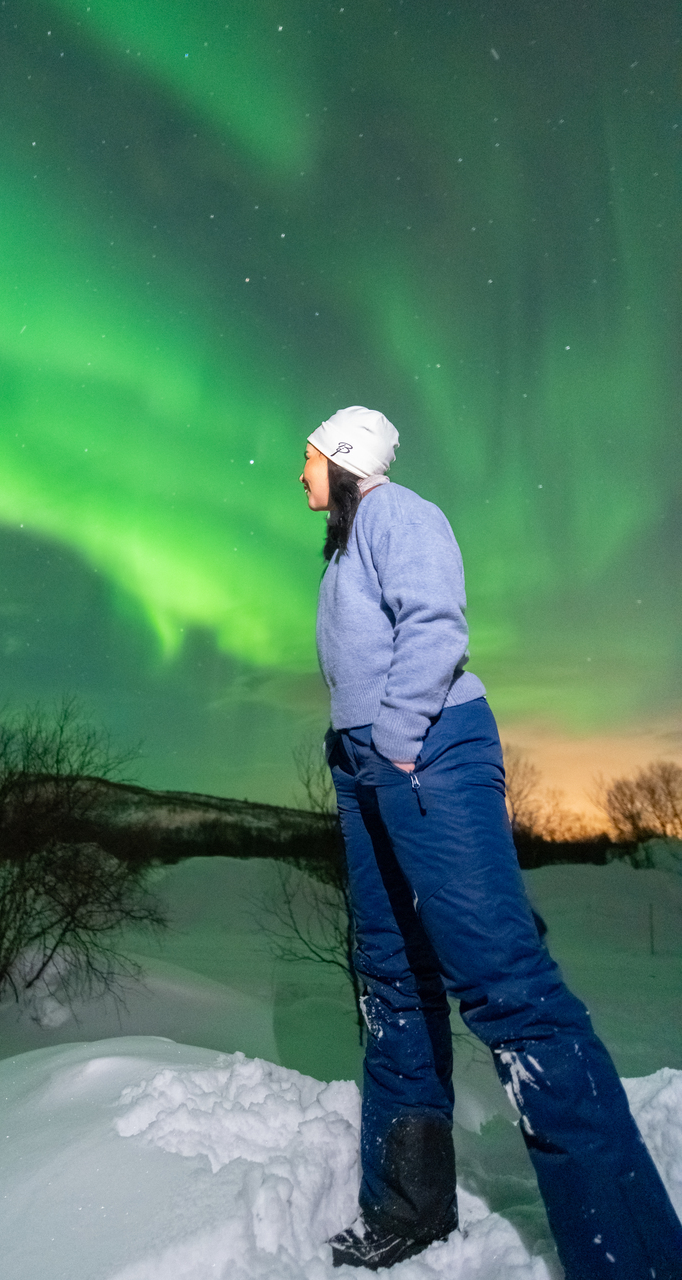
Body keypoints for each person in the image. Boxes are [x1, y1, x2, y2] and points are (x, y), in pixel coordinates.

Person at [300, 406, 682, 1276]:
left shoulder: (401, 514)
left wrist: (395, 740)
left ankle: (633, 1256)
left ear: (348, 455)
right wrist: (358, 753)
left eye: (311, 454)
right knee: (394, 982)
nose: (301, 470)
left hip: (427, 748)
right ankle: (410, 1206)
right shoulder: (344, 544)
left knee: (510, 990)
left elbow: (436, 625)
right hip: (367, 765)